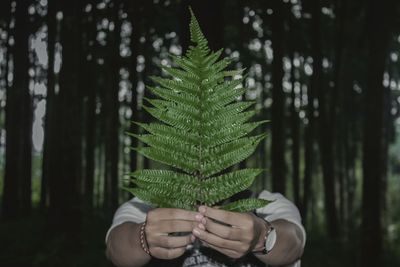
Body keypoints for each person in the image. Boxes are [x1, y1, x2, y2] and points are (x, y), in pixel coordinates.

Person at [105, 190, 306, 267]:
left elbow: (294, 243)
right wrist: (143, 237)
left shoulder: (265, 202)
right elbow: (116, 249)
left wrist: (261, 236)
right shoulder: (147, 203)